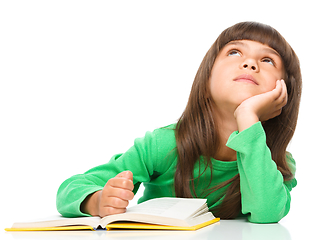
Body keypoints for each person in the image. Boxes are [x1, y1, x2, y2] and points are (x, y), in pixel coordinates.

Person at [56, 21, 302, 224]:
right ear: (206, 81)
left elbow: (267, 214)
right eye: (234, 52)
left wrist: (248, 116)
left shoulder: (276, 162)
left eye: (268, 60)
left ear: (283, 93)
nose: (250, 64)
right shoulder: (163, 145)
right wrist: (97, 200)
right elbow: (71, 188)